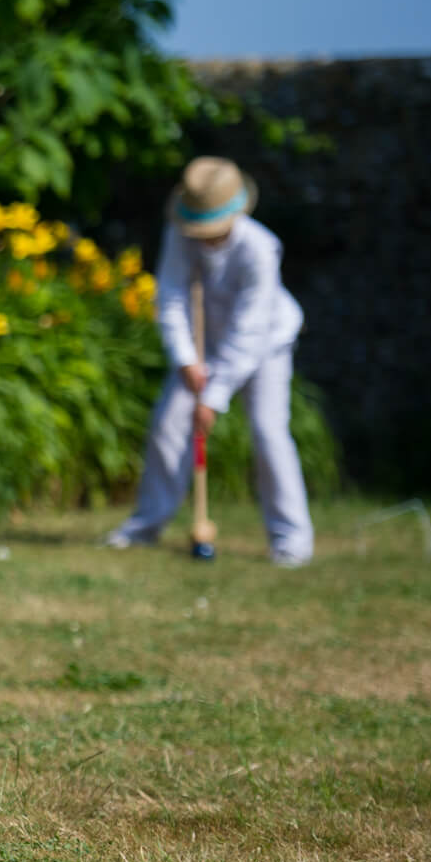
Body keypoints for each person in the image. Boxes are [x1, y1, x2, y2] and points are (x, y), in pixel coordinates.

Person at [106, 156, 314, 565]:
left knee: (268, 431)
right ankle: (145, 525)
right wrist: (185, 360)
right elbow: (172, 296)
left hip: (265, 345)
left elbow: (250, 330)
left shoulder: (260, 249)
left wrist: (213, 397)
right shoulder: (181, 234)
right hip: (201, 349)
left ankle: (291, 540)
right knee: (168, 425)